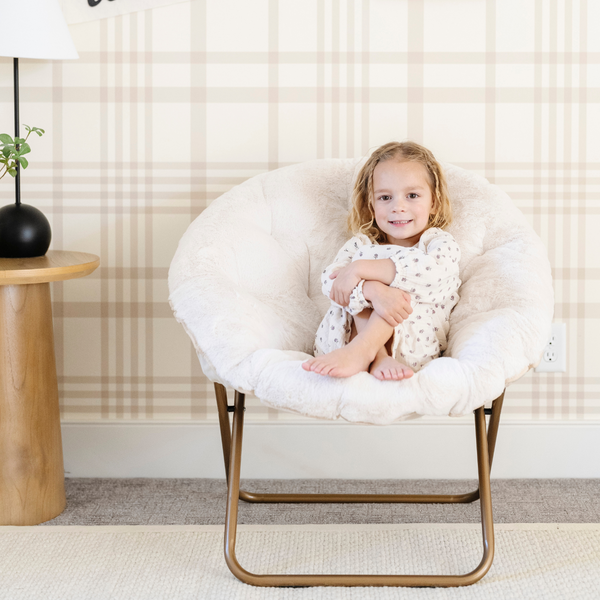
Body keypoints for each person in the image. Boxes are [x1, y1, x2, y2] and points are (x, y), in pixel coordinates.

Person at [302, 141, 461, 381]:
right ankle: (376, 356)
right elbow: (332, 282)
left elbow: (432, 274)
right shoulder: (362, 244)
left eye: (412, 195)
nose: (398, 206)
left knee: (393, 290)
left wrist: (360, 269)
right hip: (340, 341)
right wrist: (373, 290)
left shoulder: (439, 244)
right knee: (365, 269)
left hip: (412, 344)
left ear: (434, 203)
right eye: (385, 197)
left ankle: (363, 350)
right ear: (371, 205)